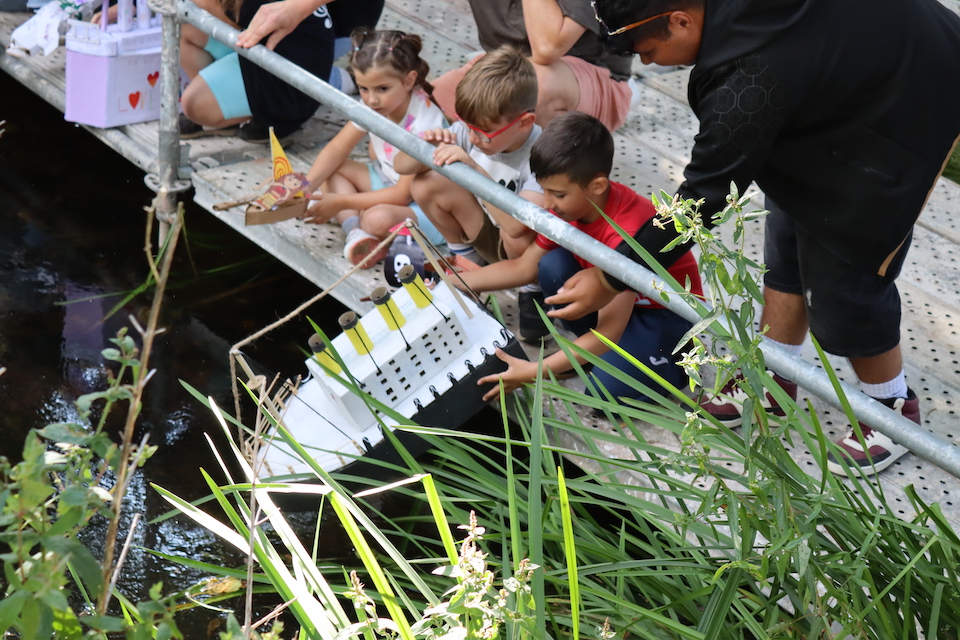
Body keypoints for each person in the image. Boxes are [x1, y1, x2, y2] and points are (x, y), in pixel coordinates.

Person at [550, 0, 960, 476]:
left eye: (643, 48)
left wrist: (611, 277)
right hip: (838, 65)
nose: (644, 62)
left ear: (682, 20)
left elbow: (701, 199)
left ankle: (891, 406)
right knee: (787, 227)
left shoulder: (749, 79)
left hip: (915, 82)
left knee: (846, 270)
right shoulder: (743, 45)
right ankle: (775, 376)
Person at [455, 111, 701, 403]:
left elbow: (608, 331)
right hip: (616, 304)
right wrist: (454, 282)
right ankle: (597, 357)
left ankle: (670, 364)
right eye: (543, 190)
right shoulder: (571, 207)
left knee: (605, 390)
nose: (547, 204)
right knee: (551, 265)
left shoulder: (625, 233)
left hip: (666, 317)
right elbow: (524, 267)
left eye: (557, 194)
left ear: (597, 185)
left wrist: (534, 371)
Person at [394, 46, 548, 342]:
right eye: (468, 127)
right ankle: (470, 264)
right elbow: (402, 166)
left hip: (522, 252)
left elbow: (518, 226)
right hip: (487, 230)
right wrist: (427, 144)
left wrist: (473, 167)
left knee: (519, 236)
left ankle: (532, 292)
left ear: (525, 122)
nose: (473, 138)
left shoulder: (543, 154)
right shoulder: (472, 131)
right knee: (425, 183)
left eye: (484, 133)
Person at [301, 29, 447, 268]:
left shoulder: (424, 123)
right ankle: (355, 233)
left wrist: (340, 202)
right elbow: (337, 147)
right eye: (363, 89)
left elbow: (403, 195)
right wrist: (304, 188)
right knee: (333, 169)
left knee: (376, 219)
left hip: (427, 208)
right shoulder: (375, 105)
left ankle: (360, 225)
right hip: (387, 180)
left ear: (409, 80)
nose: (371, 100)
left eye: (382, 89)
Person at [428, 0, 636, 132]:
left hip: (592, 79)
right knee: (423, 104)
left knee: (531, 86)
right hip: (506, 66)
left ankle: (521, 185)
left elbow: (547, 49)